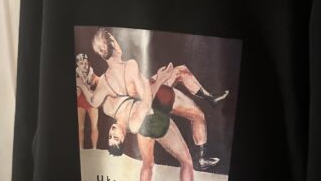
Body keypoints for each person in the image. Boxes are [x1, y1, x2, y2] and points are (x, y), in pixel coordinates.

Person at [90, 28, 227, 170]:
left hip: (150, 92)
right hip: (154, 99)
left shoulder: (108, 80)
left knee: (182, 72)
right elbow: (146, 98)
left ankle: (210, 99)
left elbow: (94, 100)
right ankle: (201, 156)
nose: (118, 43)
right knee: (197, 114)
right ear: (113, 44)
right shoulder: (128, 67)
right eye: (114, 39)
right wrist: (161, 79)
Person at [75, 53, 100, 150]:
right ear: (77, 64)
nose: (84, 65)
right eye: (81, 63)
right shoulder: (76, 76)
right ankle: (81, 149)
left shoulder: (93, 75)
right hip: (80, 102)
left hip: (92, 103)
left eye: (86, 63)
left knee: (94, 126)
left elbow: (98, 90)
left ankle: (94, 148)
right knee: (80, 127)